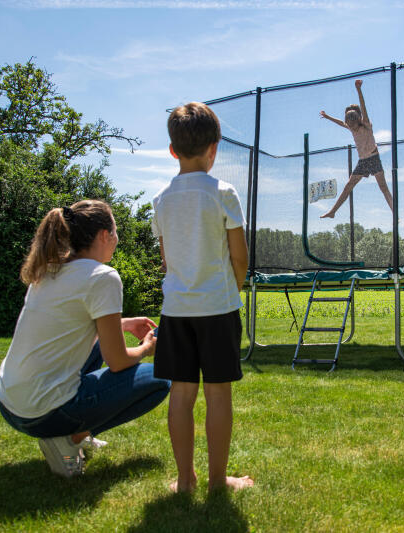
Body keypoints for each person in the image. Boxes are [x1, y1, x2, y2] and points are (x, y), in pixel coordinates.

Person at [0, 199, 170, 478]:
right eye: (115, 231)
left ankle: (70, 432)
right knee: (160, 379)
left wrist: (122, 324)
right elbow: (118, 362)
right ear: (104, 235)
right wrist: (148, 348)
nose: (117, 238)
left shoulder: (49, 269)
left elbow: (68, 325)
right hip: (42, 413)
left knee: (101, 342)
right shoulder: (103, 277)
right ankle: (71, 437)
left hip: (10, 405)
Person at [151, 101, 253, 493]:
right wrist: (231, 292)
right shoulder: (223, 192)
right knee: (218, 394)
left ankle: (184, 479)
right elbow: (239, 257)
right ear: (214, 148)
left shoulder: (160, 200)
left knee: (181, 392)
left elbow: (167, 262)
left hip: (176, 311)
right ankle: (216, 481)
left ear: (173, 150)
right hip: (218, 309)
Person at [319, 79, 393, 218]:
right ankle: (333, 211)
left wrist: (358, 89)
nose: (351, 128)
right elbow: (341, 123)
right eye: (349, 125)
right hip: (363, 161)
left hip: (373, 157)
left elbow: (364, 108)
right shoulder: (351, 127)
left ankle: (395, 213)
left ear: (358, 120)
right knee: (348, 186)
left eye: (352, 125)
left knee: (383, 187)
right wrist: (328, 117)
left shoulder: (365, 124)